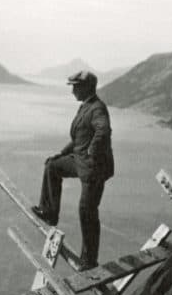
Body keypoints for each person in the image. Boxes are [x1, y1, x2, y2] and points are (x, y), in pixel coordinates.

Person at [32, 70, 114, 270]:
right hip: (80, 162)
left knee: (87, 211)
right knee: (52, 166)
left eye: (75, 87)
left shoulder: (97, 108)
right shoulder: (85, 107)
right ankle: (49, 212)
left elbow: (103, 130)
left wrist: (92, 152)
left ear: (86, 87)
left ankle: (89, 260)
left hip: (94, 169)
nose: (72, 91)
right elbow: (78, 139)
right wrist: (61, 154)